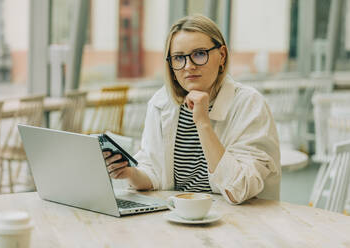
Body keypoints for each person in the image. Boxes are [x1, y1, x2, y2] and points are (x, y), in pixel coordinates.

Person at [103, 14, 281, 204]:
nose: (188, 66)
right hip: (179, 217)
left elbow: (240, 188)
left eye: (199, 54)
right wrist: (130, 173)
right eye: (179, 57)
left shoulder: (250, 104)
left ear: (222, 56)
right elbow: (155, 171)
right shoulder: (161, 102)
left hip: (242, 223)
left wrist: (203, 123)